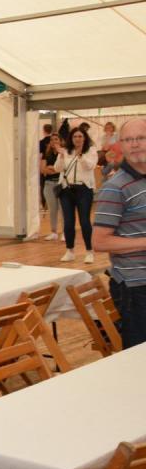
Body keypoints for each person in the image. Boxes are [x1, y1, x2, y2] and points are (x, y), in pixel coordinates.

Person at [94, 117, 146, 348]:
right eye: (128, 140)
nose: (134, 144)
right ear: (121, 146)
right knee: (139, 359)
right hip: (136, 288)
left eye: (140, 138)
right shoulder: (114, 188)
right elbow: (100, 242)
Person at [52, 126, 99, 263]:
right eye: (75, 136)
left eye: (80, 136)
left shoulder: (91, 150)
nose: (77, 139)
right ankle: (70, 250)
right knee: (68, 221)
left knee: (84, 221)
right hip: (66, 189)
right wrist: (61, 156)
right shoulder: (66, 151)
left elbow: (90, 166)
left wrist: (80, 156)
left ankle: (89, 251)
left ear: (84, 138)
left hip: (84, 189)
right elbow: (57, 168)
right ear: (71, 138)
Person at [40, 133, 63, 241]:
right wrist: (53, 169)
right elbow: (42, 169)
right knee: (52, 209)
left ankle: (65, 232)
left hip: (61, 184)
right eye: (52, 140)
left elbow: (63, 168)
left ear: (60, 141)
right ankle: (53, 232)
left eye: (56, 139)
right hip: (49, 184)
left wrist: (52, 168)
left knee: (63, 209)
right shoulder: (47, 154)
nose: (54, 141)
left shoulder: (63, 153)